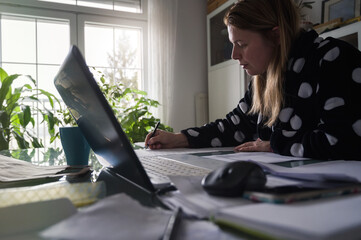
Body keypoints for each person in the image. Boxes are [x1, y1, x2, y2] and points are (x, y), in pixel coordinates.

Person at [145, 0, 361, 160]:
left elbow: (342, 140)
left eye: (242, 44)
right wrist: (179, 138)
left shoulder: (334, 59)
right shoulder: (265, 75)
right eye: (233, 44)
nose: (234, 55)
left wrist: (273, 145)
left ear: (275, 36)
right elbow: (234, 126)